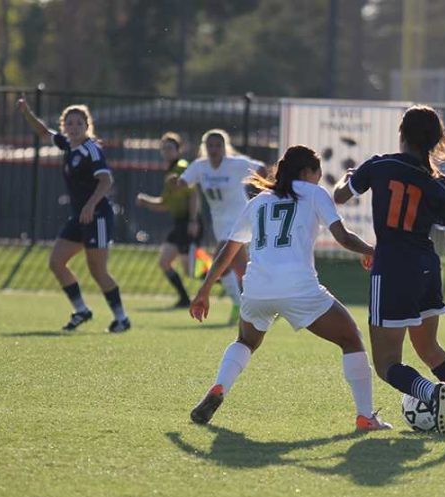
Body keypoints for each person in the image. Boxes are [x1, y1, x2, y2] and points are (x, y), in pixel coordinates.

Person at [188, 145, 391, 431]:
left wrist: (204, 291)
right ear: (308, 171)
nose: (319, 178)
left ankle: (219, 387)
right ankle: (365, 417)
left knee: (245, 342)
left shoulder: (259, 201)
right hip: (299, 289)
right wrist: (372, 250)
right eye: (318, 172)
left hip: (256, 289)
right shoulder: (315, 193)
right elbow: (343, 237)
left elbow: (228, 249)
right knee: (351, 339)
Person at [333, 105, 445, 434]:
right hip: (426, 269)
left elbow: (340, 196)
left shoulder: (380, 165)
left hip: (392, 268)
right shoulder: (442, 185)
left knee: (386, 363)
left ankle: (432, 395)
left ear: (401, 133)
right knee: (430, 349)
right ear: (434, 141)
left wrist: (348, 177)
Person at [16, 98, 130, 333]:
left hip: (97, 215)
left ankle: (122, 318)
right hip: (81, 216)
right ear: (64, 126)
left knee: (97, 270)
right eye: (70, 123)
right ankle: (81, 310)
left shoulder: (91, 149)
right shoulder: (68, 145)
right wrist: (26, 112)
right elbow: (42, 131)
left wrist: (90, 205)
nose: (74, 126)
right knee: (56, 262)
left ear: (87, 125)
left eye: (79, 122)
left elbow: (106, 180)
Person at [178, 129, 265, 325]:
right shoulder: (200, 166)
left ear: (225, 147)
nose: (214, 149)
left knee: (220, 260)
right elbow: (183, 181)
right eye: (210, 145)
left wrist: (265, 189)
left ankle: (243, 305)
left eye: (218, 145)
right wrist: (176, 184)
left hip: (240, 220)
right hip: (220, 224)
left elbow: (261, 169)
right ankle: (262, 303)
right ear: (204, 147)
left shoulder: (236, 164)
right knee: (239, 269)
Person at [136, 132, 202, 308]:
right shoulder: (170, 171)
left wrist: (193, 220)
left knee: (191, 270)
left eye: (170, 148)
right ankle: (184, 299)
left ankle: (227, 279)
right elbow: (164, 204)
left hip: (188, 221)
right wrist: (146, 201)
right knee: (165, 262)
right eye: (164, 148)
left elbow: (194, 194)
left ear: (179, 150)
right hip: (179, 223)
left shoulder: (181, 167)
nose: (166, 151)